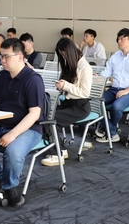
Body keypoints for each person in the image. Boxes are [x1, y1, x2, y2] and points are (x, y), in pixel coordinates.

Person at [0, 38, 45, 207]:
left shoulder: (33, 79)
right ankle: (1, 177)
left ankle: (10, 187)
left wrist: (13, 134)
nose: (2, 60)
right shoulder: (0, 76)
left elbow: (34, 114)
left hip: (28, 129)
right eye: (1, 56)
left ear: (20, 57)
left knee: (13, 153)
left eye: (6, 57)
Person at [41, 38, 92, 166]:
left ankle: (58, 153)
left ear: (70, 52)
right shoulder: (70, 64)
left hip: (80, 107)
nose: (64, 57)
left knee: (50, 119)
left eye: (64, 54)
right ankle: (60, 150)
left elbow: (85, 93)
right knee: (44, 115)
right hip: (68, 104)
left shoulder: (85, 67)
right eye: (62, 55)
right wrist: (61, 86)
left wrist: (66, 86)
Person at [95, 28, 129, 143]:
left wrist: (127, 90)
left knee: (116, 106)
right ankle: (112, 132)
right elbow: (106, 73)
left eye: (121, 39)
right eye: (118, 39)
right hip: (113, 89)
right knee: (95, 102)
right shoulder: (115, 56)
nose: (118, 41)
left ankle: (107, 129)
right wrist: (97, 77)